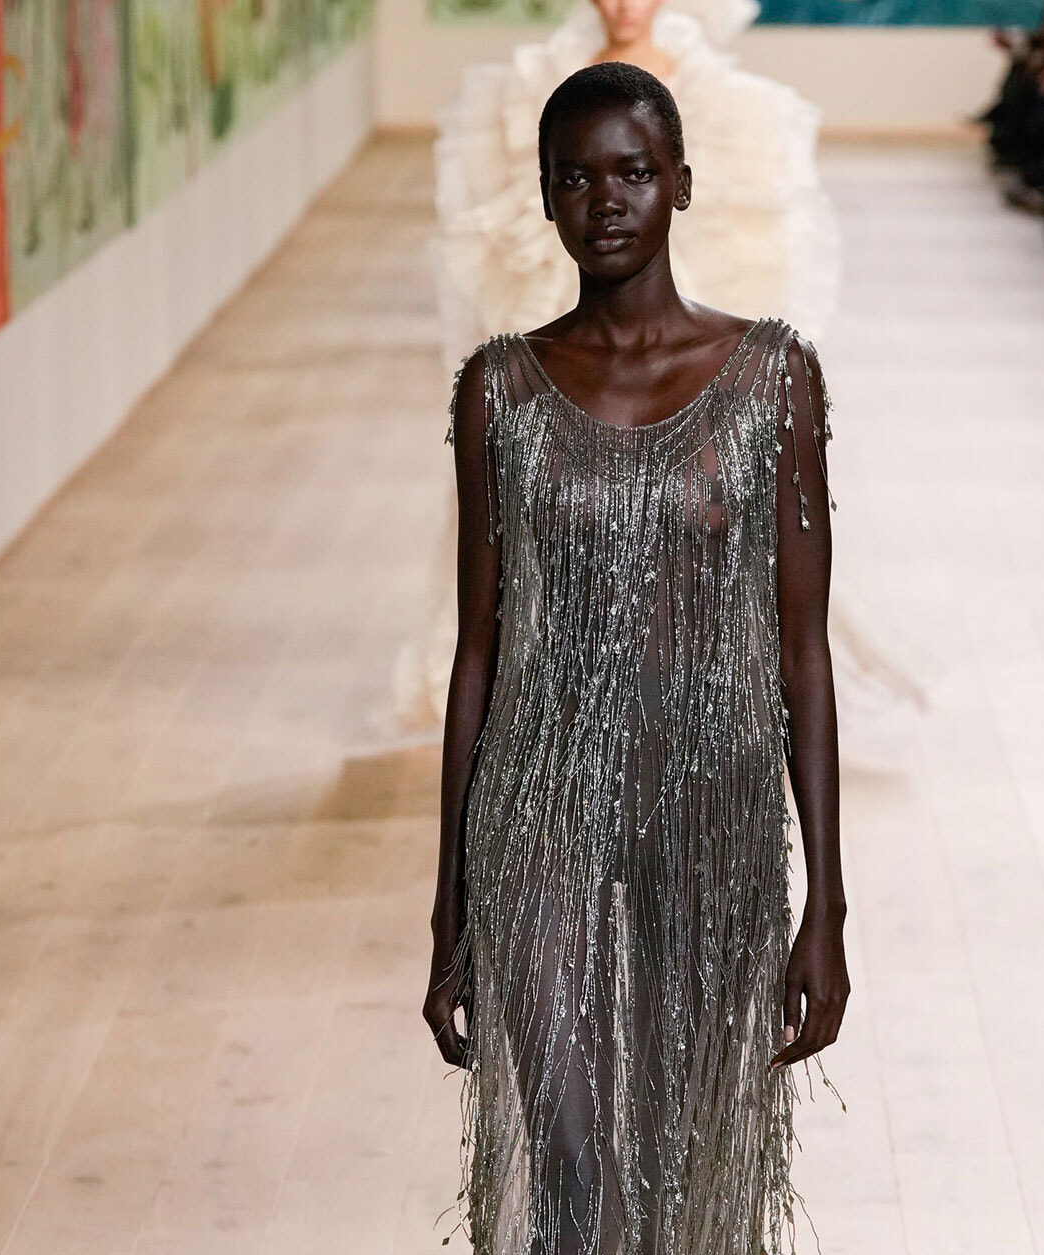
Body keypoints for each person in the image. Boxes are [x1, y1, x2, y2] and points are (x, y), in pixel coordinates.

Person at [422, 61, 849, 1255]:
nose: (603, 201)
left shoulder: (770, 384)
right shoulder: (500, 395)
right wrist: (449, 902)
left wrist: (828, 904)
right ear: (546, 196)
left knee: (679, 1193)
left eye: (631, 172)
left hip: (721, 827)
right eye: (574, 177)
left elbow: (802, 651)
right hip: (537, 814)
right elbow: (480, 652)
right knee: (581, 1186)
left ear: (680, 183)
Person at [387, 0, 926, 760]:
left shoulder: (730, 105)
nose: (623, 3)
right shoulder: (532, 87)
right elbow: (502, 244)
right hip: (565, 336)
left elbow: (761, 244)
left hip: (687, 343)